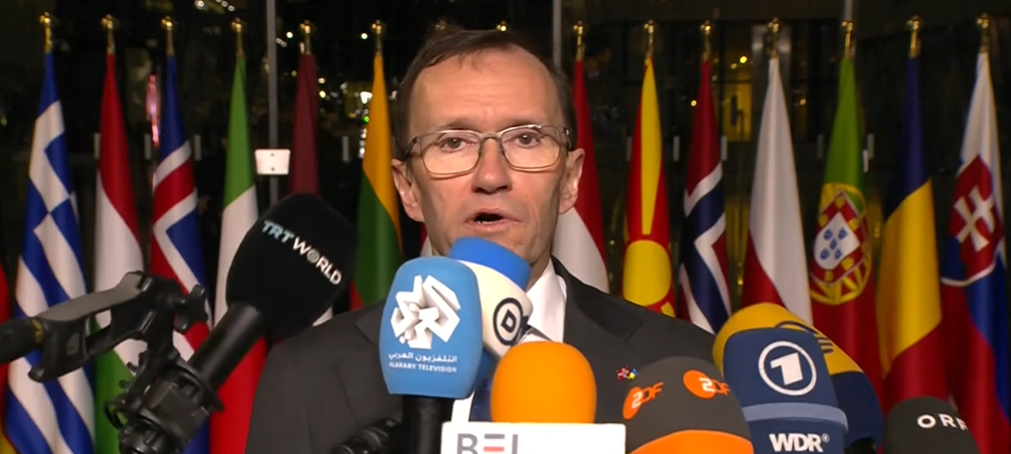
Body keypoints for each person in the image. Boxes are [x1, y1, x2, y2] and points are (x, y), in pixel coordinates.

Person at [244, 27, 714, 454]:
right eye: (453, 142)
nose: (491, 176)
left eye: (526, 138)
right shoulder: (306, 376)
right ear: (408, 189)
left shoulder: (681, 362)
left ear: (570, 179)